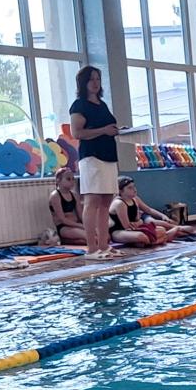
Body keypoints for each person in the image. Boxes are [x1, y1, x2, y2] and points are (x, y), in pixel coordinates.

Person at [70, 65, 122, 259]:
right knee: (92, 200)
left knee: (106, 201)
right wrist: (103, 131)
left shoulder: (102, 104)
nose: (95, 83)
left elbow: (107, 127)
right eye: (91, 79)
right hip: (92, 156)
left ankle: (103, 245)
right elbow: (77, 133)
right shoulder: (79, 105)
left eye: (97, 79)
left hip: (108, 155)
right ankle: (91, 248)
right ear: (83, 83)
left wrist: (116, 130)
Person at [109, 176, 175, 246]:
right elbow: (127, 227)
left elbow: (147, 211)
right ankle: (162, 239)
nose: (135, 190)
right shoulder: (119, 203)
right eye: (130, 188)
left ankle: (144, 242)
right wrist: (140, 222)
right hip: (119, 231)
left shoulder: (135, 199)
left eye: (134, 186)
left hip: (134, 229)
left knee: (161, 229)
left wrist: (162, 216)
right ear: (120, 191)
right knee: (140, 236)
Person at [48, 167, 87, 244]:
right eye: (68, 179)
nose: (72, 182)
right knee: (92, 238)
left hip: (76, 225)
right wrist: (80, 226)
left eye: (73, 179)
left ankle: (67, 241)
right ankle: (64, 239)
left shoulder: (74, 195)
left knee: (105, 237)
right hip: (64, 227)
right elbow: (63, 219)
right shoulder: (55, 196)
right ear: (58, 180)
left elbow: (80, 215)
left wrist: (87, 225)